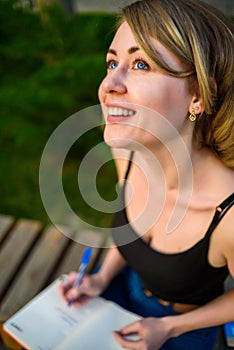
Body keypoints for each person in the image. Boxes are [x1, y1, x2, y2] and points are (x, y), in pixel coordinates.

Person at [60, 0, 234, 349]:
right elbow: (129, 232)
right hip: (122, 293)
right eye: (112, 62)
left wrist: (170, 328)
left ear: (199, 95)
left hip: (183, 328)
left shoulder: (229, 215)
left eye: (141, 64)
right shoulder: (126, 153)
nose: (110, 83)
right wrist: (100, 278)